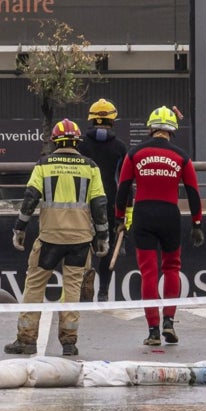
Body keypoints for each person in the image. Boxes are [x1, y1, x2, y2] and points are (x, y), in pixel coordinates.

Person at [5, 118, 110, 357]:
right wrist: (102, 236)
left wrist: (19, 229)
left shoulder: (44, 165)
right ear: (77, 141)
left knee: (34, 285)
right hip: (81, 240)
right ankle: (69, 342)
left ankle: (26, 339)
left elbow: (30, 198)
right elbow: (99, 204)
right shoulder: (90, 167)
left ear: (55, 141)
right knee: (72, 289)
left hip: (50, 237)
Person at [115, 105, 204, 346]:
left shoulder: (134, 153)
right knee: (172, 268)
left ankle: (153, 331)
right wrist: (197, 223)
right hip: (170, 216)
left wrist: (120, 218)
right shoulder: (181, 157)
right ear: (172, 130)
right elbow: (193, 192)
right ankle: (169, 322)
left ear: (151, 128)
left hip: (143, 215)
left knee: (149, 272)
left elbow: (122, 188)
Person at [78, 98, 128, 302]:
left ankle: (83, 288)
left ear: (91, 120)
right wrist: (125, 213)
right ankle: (104, 291)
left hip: (82, 205)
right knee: (105, 249)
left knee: (82, 247)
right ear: (113, 120)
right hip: (111, 205)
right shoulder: (120, 147)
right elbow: (125, 182)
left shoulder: (80, 146)